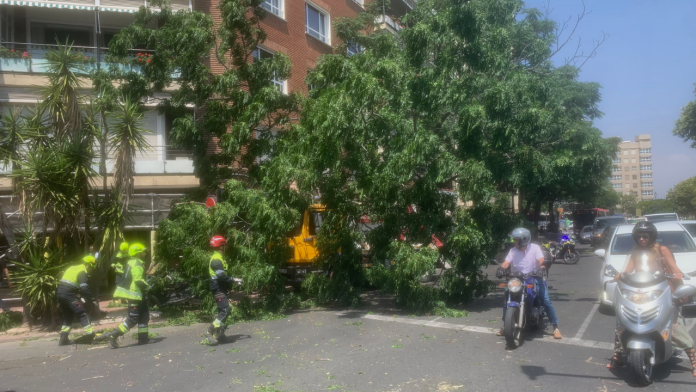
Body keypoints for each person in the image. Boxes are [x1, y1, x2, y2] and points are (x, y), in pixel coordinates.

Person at [607, 222, 696, 376]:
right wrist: (620, 275)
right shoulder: (635, 252)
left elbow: (674, 268)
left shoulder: (662, 250)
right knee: (623, 322)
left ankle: (693, 359)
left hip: (661, 291)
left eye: (645, 236)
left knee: (673, 325)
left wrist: (678, 274)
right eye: (639, 236)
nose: (642, 239)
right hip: (641, 292)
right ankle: (618, 355)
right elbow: (628, 270)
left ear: (651, 236)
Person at [497, 228, 562, 339]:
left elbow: (542, 260)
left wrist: (542, 268)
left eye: (516, 239)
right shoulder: (513, 250)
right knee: (506, 299)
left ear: (523, 240)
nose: (513, 241)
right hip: (517, 278)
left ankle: (555, 327)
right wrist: (501, 268)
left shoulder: (535, 248)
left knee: (545, 300)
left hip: (534, 277)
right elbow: (506, 262)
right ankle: (505, 325)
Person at [96, 243, 150, 348]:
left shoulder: (132, 262)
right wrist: (149, 288)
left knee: (144, 316)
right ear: (138, 253)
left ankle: (143, 339)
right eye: (143, 251)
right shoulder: (137, 264)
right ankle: (113, 335)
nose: (145, 252)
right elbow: (138, 280)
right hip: (135, 296)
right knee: (133, 319)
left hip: (138, 296)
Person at [56, 255, 98, 346]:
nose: (91, 270)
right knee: (82, 314)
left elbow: (71, 283)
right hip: (68, 294)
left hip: (60, 293)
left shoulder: (72, 268)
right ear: (88, 265)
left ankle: (63, 340)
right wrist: (92, 299)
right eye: (92, 268)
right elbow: (84, 287)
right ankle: (91, 337)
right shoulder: (82, 271)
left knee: (68, 316)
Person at [205, 235, 236, 344]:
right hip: (217, 286)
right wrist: (233, 280)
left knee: (222, 311)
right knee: (225, 310)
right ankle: (210, 331)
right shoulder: (216, 260)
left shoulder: (219, 258)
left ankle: (220, 335)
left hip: (220, 286)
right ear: (221, 246)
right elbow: (221, 276)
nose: (225, 247)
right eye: (224, 245)